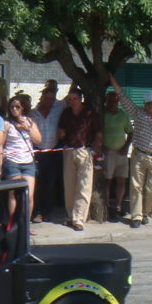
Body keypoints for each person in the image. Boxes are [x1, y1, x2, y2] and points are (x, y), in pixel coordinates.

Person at [108, 72, 152, 229]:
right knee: (136, 187)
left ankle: (145, 212)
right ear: (144, 104)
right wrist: (113, 80)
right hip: (139, 154)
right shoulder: (138, 114)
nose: (151, 106)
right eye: (149, 103)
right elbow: (123, 98)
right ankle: (136, 215)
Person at [57, 86, 102, 230]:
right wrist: (61, 134)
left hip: (84, 150)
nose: (72, 102)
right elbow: (61, 131)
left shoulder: (89, 113)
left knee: (84, 185)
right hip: (69, 150)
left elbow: (99, 133)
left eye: (74, 99)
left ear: (80, 99)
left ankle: (79, 218)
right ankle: (71, 215)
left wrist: (95, 148)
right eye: (69, 99)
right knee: (69, 185)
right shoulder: (66, 113)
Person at [30, 82, 66, 223]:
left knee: (49, 183)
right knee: (37, 183)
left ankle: (46, 212)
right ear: (42, 98)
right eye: (47, 98)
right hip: (37, 152)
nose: (49, 101)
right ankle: (36, 211)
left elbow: (71, 96)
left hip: (52, 151)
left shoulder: (59, 107)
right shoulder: (33, 112)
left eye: (52, 98)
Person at [2, 94, 40, 219]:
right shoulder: (7, 123)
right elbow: (1, 144)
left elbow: (39, 140)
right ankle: (14, 224)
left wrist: (27, 128)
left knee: (28, 195)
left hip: (28, 161)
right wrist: (0, 164)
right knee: (13, 194)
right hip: (12, 161)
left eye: (17, 107)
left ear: (22, 108)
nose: (14, 109)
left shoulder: (29, 121)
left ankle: (26, 225)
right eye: (12, 107)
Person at [101, 89, 133, 220]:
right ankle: (107, 206)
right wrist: (103, 147)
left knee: (121, 180)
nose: (113, 103)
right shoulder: (103, 114)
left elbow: (130, 131)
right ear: (106, 101)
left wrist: (126, 147)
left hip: (121, 152)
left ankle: (119, 205)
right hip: (109, 152)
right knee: (107, 181)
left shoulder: (123, 115)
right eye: (110, 100)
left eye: (115, 101)